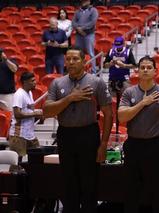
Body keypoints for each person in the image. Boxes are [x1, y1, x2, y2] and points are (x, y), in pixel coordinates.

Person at [43, 47, 113, 213]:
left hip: (88, 134)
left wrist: (103, 144)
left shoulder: (96, 82)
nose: (71, 62)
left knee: (90, 183)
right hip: (65, 135)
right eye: (68, 59)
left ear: (84, 61)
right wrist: (70, 98)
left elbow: (108, 114)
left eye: (75, 59)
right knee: (68, 182)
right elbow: (47, 111)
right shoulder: (57, 83)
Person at [118, 56, 159, 213]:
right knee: (130, 190)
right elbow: (122, 117)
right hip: (133, 145)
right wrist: (142, 103)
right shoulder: (128, 92)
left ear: (155, 71)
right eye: (142, 67)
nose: (145, 70)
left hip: (154, 146)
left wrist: (158, 134)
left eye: (148, 67)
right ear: (137, 71)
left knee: (157, 191)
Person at [8, 72, 42, 160]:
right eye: (32, 81)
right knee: (16, 164)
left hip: (30, 134)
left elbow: (29, 110)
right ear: (25, 82)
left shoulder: (29, 93)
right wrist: (35, 114)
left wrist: (39, 114)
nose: (35, 82)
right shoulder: (19, 94)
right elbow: (17, 114)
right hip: (18, 135)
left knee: (36, 159)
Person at [72, 0, 98, 74]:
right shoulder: (77, 12)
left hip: (89, 35)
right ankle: (79, 70)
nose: (83, 2)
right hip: (79, 35)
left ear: (89, 1)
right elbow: (73, 22)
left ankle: (93, 72)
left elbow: (93, 22)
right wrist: (78, 29)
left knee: (90, 53)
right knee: (78, 53)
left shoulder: (93, 10)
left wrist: (82, 28)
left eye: (85, 0)